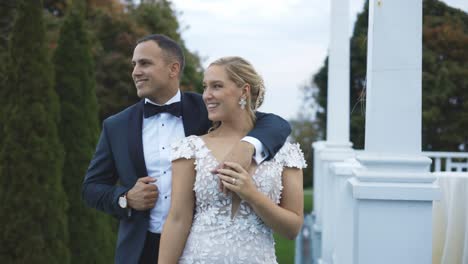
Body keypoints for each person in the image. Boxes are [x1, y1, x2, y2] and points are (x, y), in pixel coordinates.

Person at [82, 35, 291, 264]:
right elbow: (91, 187)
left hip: (198, 245)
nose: (135, 71)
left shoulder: (207, 107)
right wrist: (125, 197)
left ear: (173, 69)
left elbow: (276, 124)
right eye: (134, 64)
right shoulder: (116, 126)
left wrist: (247, 146)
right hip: (138, 250)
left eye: (145, 63)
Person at [159, 56, 306, 263]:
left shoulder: (285, 152)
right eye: (205, 87)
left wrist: (251, 194)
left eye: (216, 86)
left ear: (244, 91)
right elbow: (177, 220)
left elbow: (292, 229)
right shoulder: (190, 148)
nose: (206, 95)